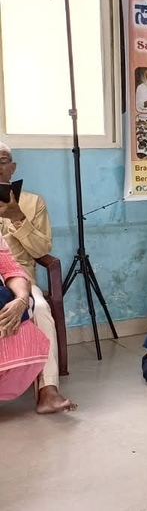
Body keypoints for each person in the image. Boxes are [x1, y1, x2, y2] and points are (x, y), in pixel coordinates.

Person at [0, 142, 72, 413]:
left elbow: (43, 250)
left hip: (21, 280)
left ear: (12, 167)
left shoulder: (32, 202)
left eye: (3, 160)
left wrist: (18, 218)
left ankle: (48, 390)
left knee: (40, 308)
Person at [0, 236, 52, 404]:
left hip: (12, 288)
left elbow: (11, 269)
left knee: (37, 307)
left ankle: (48, 389)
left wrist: (22, 299)